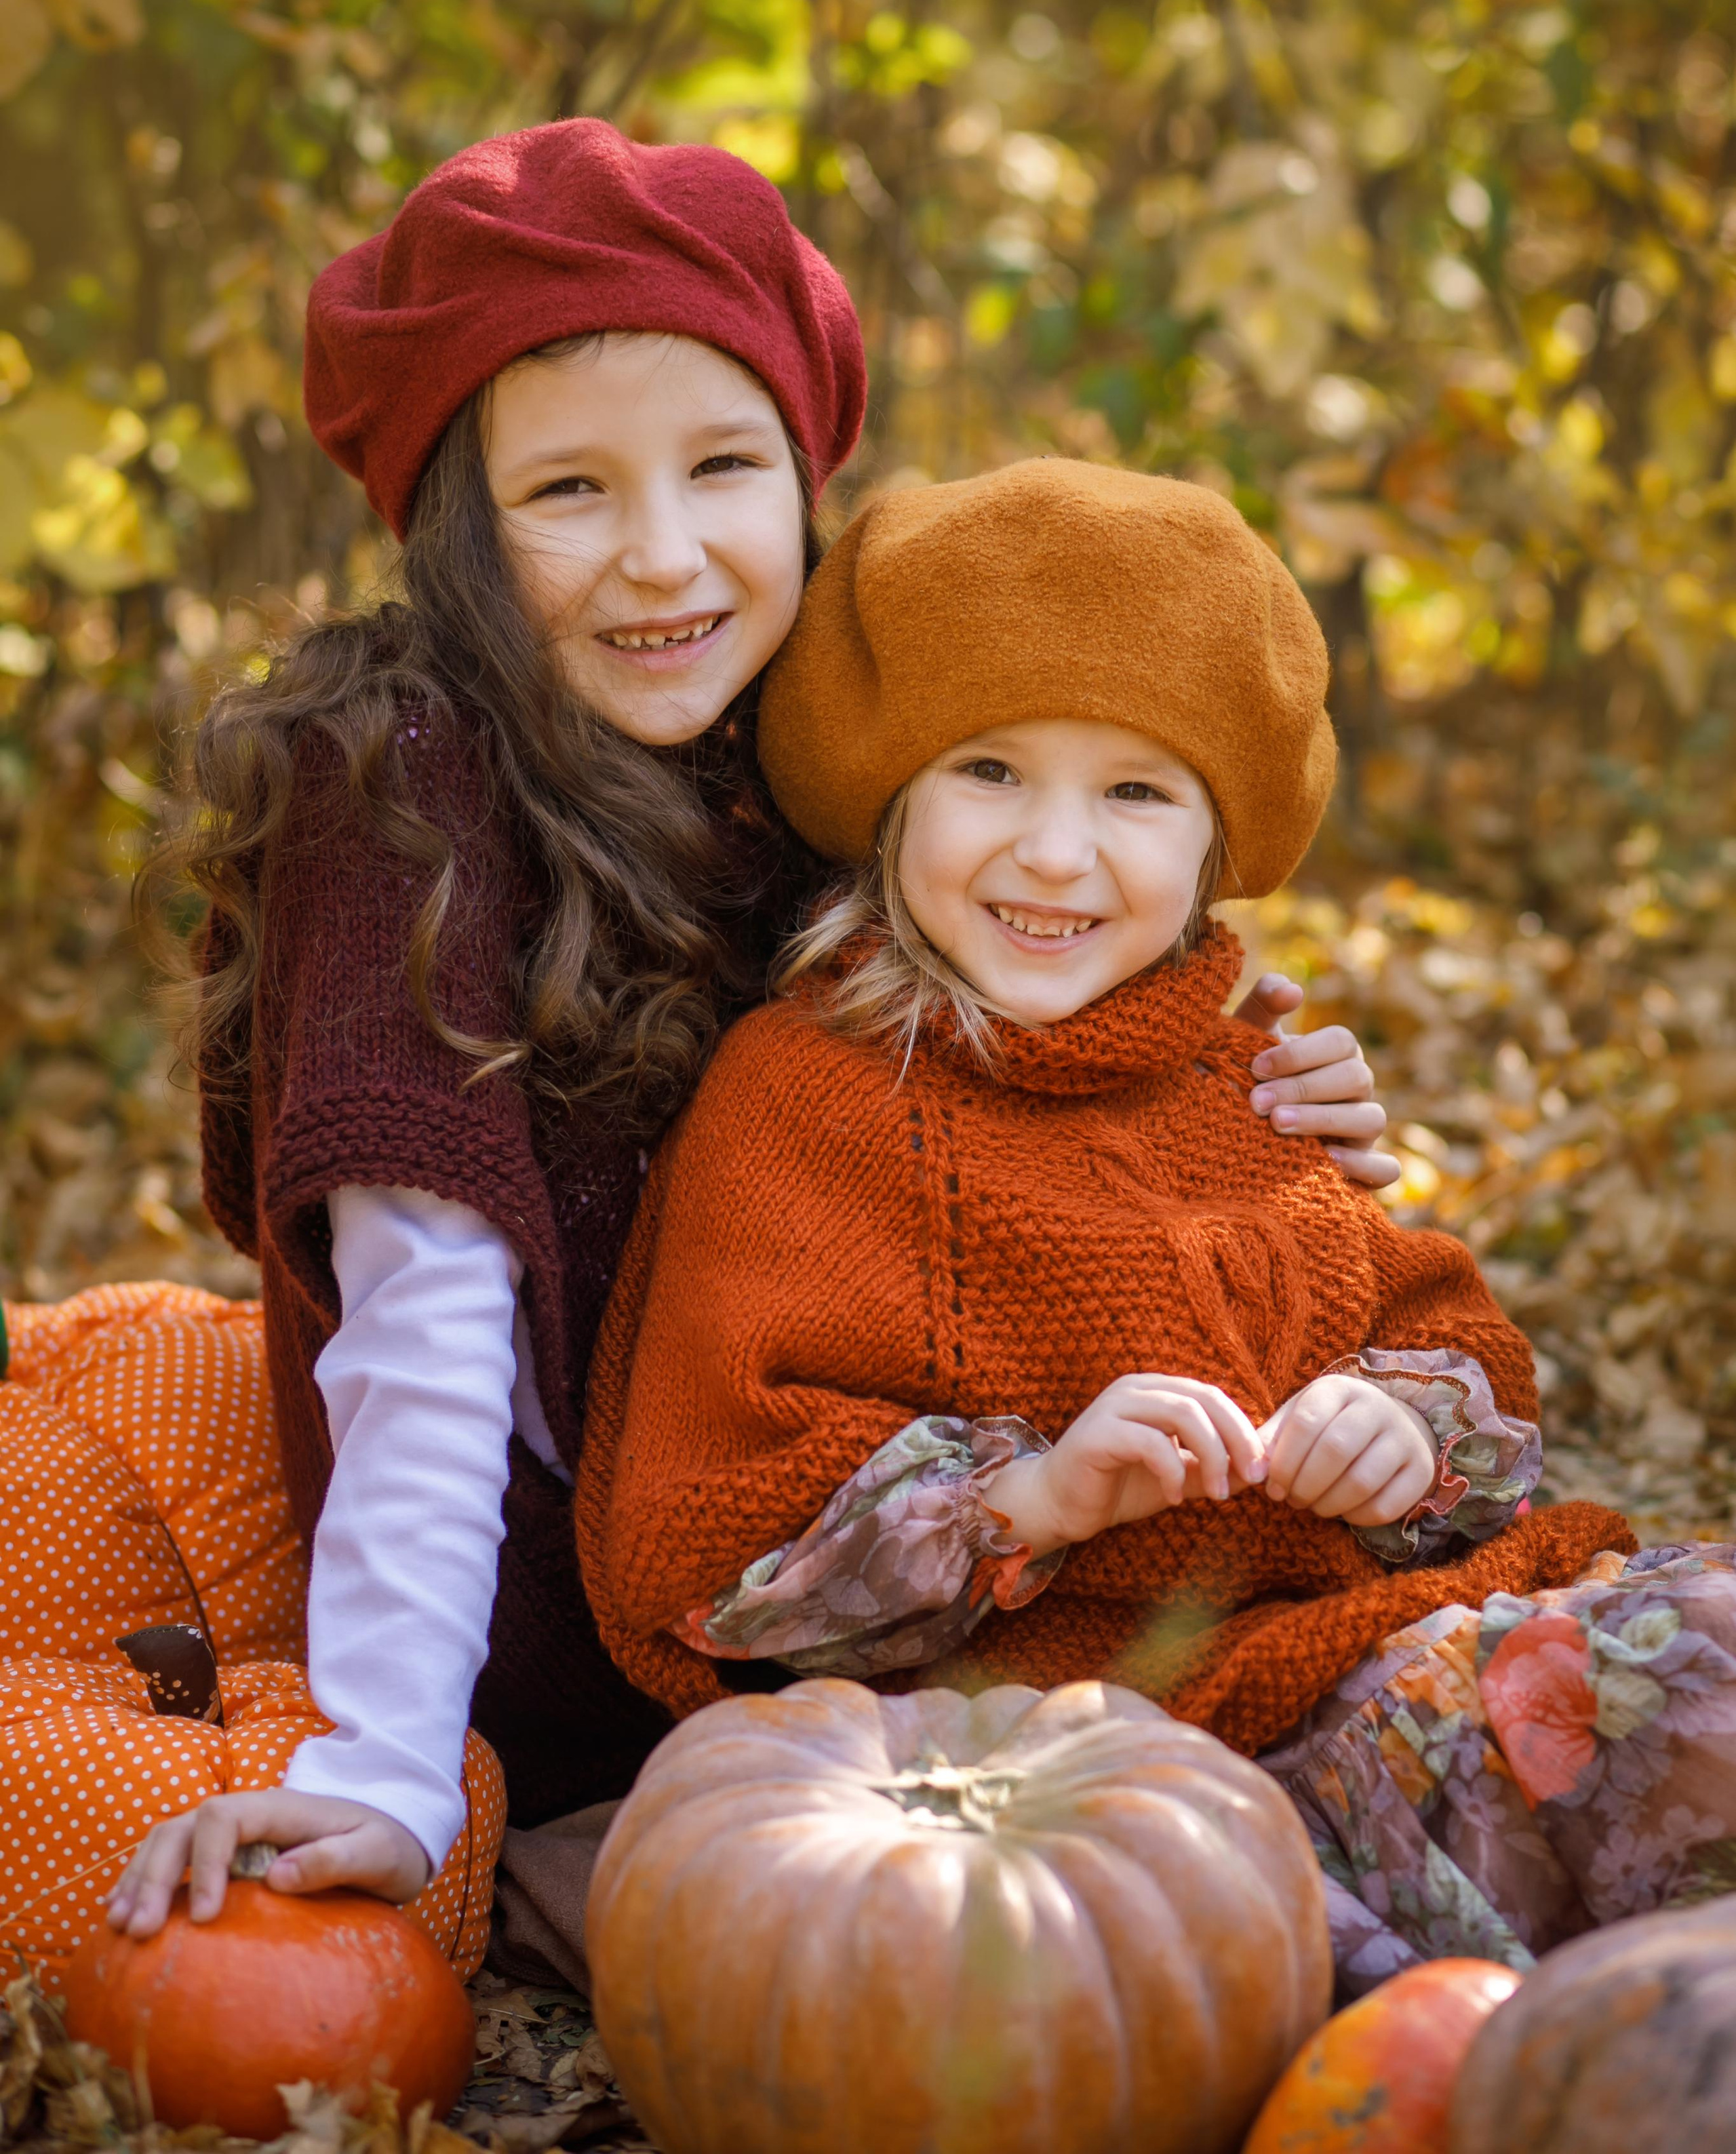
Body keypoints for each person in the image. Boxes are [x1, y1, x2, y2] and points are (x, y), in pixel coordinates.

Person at [97, 129, 1394, 1949]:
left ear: (806, 474)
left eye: (722, 467)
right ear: (455, 527)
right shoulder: (394, 782)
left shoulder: (803, 730)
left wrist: (1258, 1084)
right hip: (583, 1604)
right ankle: (591, 1841)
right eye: (569, 491)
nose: (662, 555)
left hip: (937, 1551)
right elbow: (430, 1315)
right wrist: (391, 1759)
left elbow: (1032, 970)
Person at [578, 459, 1736, 1988]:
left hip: (1380, 1636)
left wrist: (1397, 1430)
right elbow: (712, 1554)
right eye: (988, 770)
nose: (1055, 853)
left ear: (1209, 845)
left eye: (1134, 791)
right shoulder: (807, 1095)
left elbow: (1448, 1350)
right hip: (1098, 1770)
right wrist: (1043, 1497)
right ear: (887, 796)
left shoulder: (1243, 1065)